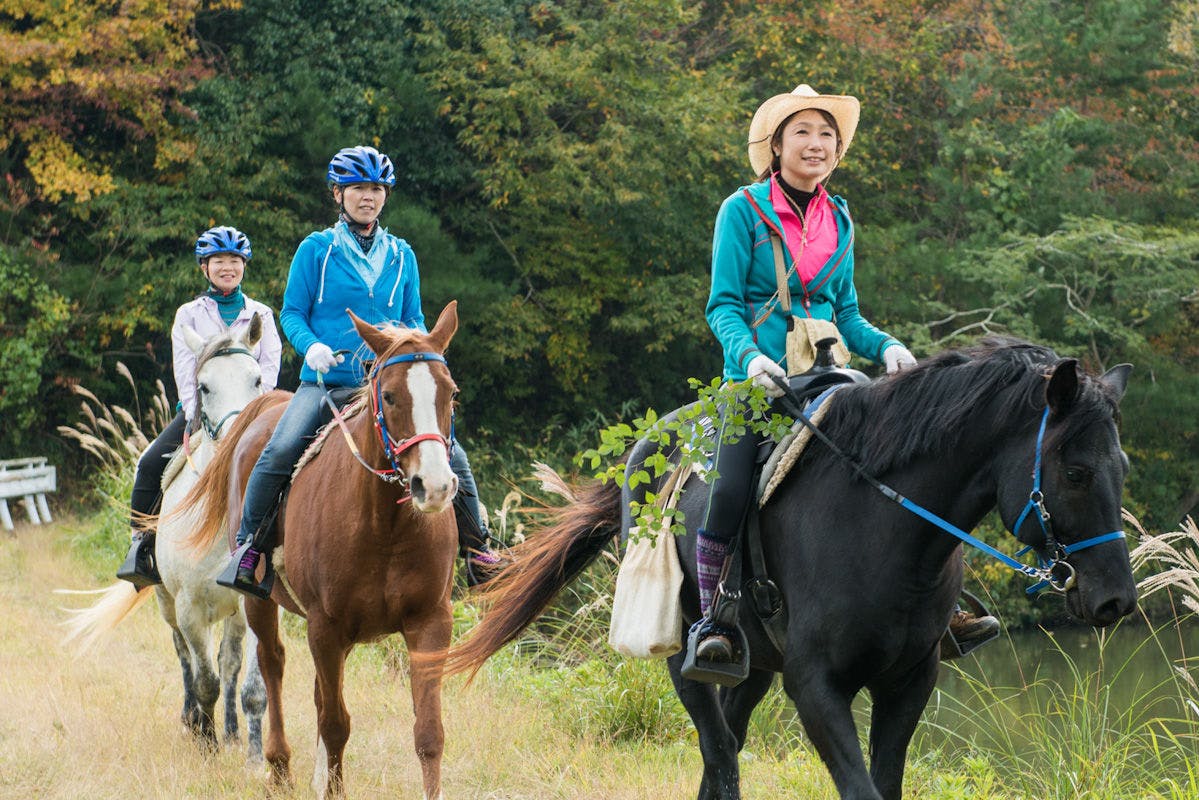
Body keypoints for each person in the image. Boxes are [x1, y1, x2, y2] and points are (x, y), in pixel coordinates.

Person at [694, 84, 998, 663]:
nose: (816, 143)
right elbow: (723, 306)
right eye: (802, 132)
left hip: (832, 376)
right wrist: (749, 358)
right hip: (759, 382)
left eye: (826, 134)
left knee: (917, 459)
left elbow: (848, 314)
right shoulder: (741, 210)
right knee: (730, 487)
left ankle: (941, 607)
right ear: (776, 145)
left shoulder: (840, 218)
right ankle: (717, 617)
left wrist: (888, 347)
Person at [217, 145, 500, 599]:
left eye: (376, 189)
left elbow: (414, 318)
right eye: (357, 189)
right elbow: (292, 313)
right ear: (338, 194)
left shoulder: (402, 254)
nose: (368, 197)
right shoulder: (315, 250)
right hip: (327, 382)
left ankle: (479, 549)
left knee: (453, 454)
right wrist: (311, 347)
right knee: (278, 450)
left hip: (390, 384)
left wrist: (425, 353)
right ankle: (249, 548)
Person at [118, 226, 283, 588]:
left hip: (251, 416)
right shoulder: (188, 314)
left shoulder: (261, 314)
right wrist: (197, 419)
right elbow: (185, 371)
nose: (228, 267)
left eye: (235, 260)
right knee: (150, 463)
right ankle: (141, 546)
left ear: (244, 266)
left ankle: (284, 551)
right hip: (204, 413)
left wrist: (255, 417)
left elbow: (269, 372)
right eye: (219, 261)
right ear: (204, 268)